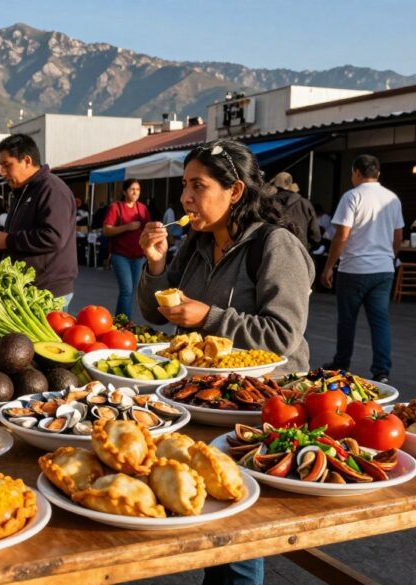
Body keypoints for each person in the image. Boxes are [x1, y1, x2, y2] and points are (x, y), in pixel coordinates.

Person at [137, 140, 313, 585]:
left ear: (235, 191)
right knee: (216, 505)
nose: (186, 198)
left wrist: (208, 318)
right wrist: (156, 266)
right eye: (184, 187)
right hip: (205, 396)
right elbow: (155, 311)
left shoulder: (277, 246)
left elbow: (282, 335)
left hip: (260, 404)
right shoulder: (196, 244)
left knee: (236, 527)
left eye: (198, 186)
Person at [320, 154, 404, 383]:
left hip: (354, 268)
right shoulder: (392, 198)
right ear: (378, 173)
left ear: (357, 172)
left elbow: (342, 235)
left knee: (347, 319)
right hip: (383, 268)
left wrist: (329, 266)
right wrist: (390, 257)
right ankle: (382, 371)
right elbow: (398, 236)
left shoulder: (352, 196)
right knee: (380, 320)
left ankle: (342, 363)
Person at [0, 134, 77, 305]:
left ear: (26, 160)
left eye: (7, 165)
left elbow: (53, 237)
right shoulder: (22, 191)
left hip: (47, 292)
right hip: (26, 288)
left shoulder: (52, 190)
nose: (3, 173)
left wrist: (8, 241)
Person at [104, 179, 151, 318]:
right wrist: (127, 227)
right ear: (124, 191)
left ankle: (119, 322)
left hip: (138, 256)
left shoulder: (142, 208)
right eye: (132, 189)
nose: (135, 192)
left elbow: (148, 229)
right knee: (126, 290)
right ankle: (125, 323)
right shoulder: (116, 207)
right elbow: (106, 230)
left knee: (131, 291)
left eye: (138, 189)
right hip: (120, 255)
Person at [270, 172, 321, 251]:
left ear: (275, 185)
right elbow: (316, 237)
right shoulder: (305, 204)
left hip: (274, 252)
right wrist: (304, 249)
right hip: (299, 254)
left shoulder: (268, 203)